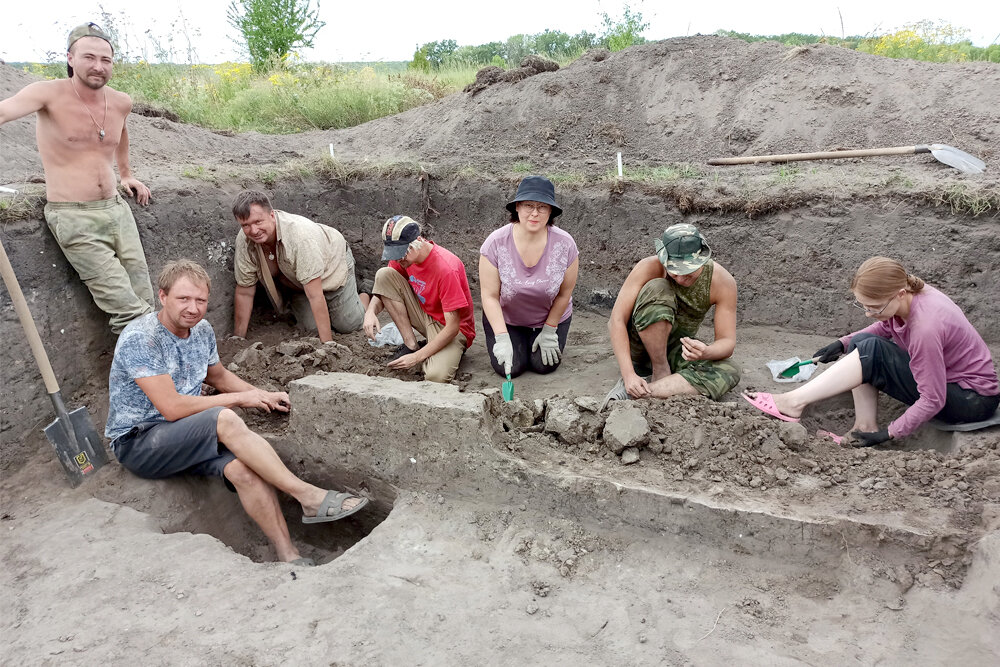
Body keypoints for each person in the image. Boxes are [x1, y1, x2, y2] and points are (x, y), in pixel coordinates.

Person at [105, 260, 368, 565]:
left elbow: (217, 377)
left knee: (243, 470)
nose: (193, 308)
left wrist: (259, 394)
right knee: (225, 416)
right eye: (183, 299)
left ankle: (288, 555)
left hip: (183, 433)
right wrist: (240, 399)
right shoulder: (142, 338)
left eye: (200, 300)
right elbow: (172, 407)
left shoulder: (200, 330)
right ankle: (307, 496)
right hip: (139, 441)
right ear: (162, 297)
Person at [743, 257, 999, 446]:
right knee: (863, 342)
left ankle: (792, 402)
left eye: (874, 307)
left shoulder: (926, 328)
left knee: (871, 350)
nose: (868, 313)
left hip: (970, 401)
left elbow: (933, 399)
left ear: (899, 293)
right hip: (955, 387)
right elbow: (886, 325)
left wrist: (890, 433)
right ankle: (863, 426)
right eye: (863, 306)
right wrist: (843, 343)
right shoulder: (911, 295)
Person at [0, 22, 154, 334]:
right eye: (89, 57)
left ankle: (154, 376)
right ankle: (156, 380)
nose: (98, 67)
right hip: (73, 216)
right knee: (129, 311)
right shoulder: (47, 94)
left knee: (147, 301)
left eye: (106, 60)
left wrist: (126, 174)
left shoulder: (120, 101)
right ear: (70, 58)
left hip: (116, 211)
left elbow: (121, 133)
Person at [602, 223, 741, 410]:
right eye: (674, 271)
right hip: (638, 343)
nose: (681, 279)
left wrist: (706, 352)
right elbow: (616, 321)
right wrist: (628, 374)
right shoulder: (649, 267)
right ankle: (658, 370)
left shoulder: (722, 282)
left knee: (729, 370)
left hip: (676, 348)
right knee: (658, 288)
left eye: (688, 272)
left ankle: (640, 393)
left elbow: (727, 342)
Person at [230, 190, 367, 343]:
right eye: (245, 225)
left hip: (332, 265)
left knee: (348, 324)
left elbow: (315, 296)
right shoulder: (245, 240)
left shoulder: (300, 238)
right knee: (311, 329)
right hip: (298, 282)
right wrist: (238, 338)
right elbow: (245, 291)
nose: (253, 231)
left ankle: (365, 291)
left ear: (272, 215)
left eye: (258, 222)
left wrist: (328, 345)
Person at [480, 175, 579, 378]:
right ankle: (515, 341)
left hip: (547, 319)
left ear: (550, 211)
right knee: (510, 367)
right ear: (517, 207)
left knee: (543, 365)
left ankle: (538, 339)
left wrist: (550, 330)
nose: (535, 213)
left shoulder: (566, 244)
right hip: (508, 319)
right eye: (528, 205)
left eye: (542, 207)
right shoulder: (495, 244)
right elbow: (489, 296)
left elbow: (564, 294)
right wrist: (501, 337)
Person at [362, 216, 476, 383]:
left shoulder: (446, 268)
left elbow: (453, 326)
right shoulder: (404, 259)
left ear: (417, 241)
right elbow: (385, 288)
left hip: (451, 328)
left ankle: (433, 352)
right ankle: (411, 346)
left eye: (402, 253)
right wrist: (370, 312)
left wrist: (417, 358)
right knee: (384, 275)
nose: (399, 258)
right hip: (425, 313)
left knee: (435, 376)